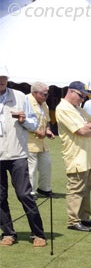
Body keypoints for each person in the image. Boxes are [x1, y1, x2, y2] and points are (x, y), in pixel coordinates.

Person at [0, 66, 46, 247]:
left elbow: (34, 123)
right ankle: (8, 233)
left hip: (17, 154)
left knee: (24, 194)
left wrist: (24, 120)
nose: (1, 80)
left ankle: (38, 233)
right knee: (0, 197)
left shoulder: (20, 97)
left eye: (4, 77)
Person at [55, 79, 91, 233]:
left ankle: (84, 217)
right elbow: (82, 131)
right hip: (76, 155)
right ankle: (73, 220)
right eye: (81, 96)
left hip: (87, 155)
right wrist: (90, 127)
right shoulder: (64, 108)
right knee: (76, 189)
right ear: (70, 91)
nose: (82, 99)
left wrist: (89, 126)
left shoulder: (78, 109)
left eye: (84, 97)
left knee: (86, 188)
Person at [27, 81, 55, 198]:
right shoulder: (25, 101)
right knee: (31, 168)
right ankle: (30, 192)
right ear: (34, 93)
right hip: (29, 141)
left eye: (47, 94)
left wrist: (48, 130)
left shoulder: (44, 104)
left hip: (42, 142)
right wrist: (36, 131)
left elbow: (46, 120)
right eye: (44, 94)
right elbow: (23, 121)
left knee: (46, 165)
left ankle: (44, 188)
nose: (46, 96)